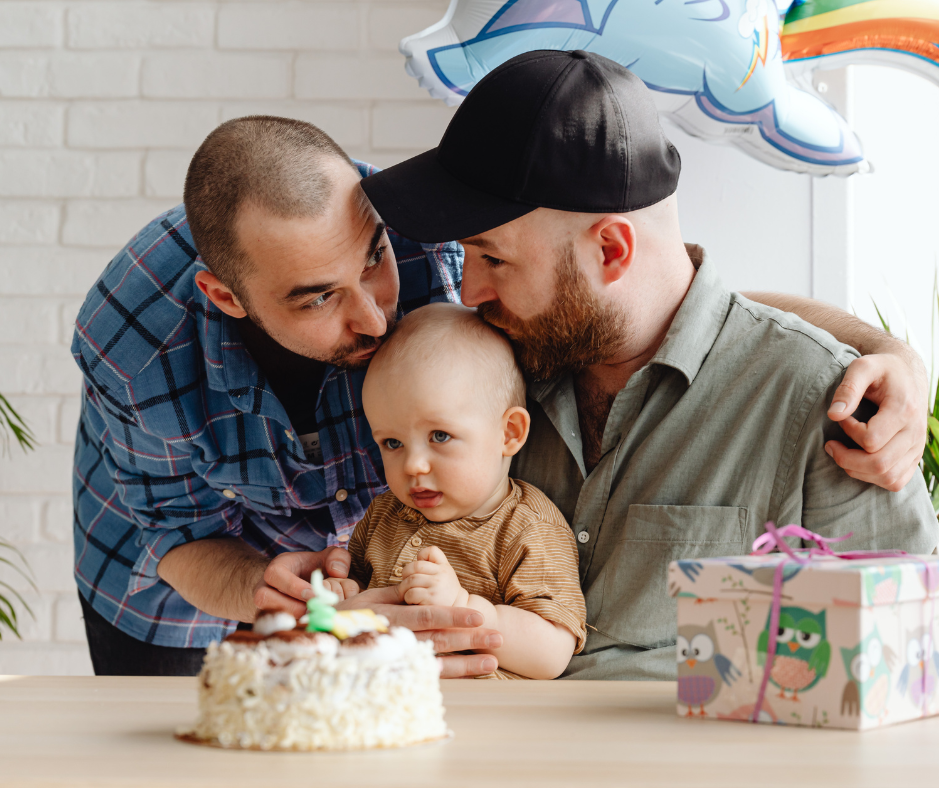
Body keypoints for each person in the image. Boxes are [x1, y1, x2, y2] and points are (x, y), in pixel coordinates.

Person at [72, 108, 926, 678]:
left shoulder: (422, 239)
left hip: (381, 559)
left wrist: (883, 350)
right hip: (172, 580)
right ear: (227, 297)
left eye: (371, 261)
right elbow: (175, 533)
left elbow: (655, 304)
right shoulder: (136, 345)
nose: (374, 314)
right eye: (317, 298)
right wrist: (271, 590)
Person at [359, 49, 939, 680]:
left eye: (494, 259)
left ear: (611, 250)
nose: (470, 291)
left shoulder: (820, 406)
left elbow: (904, 667)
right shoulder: (491, 365)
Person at [322, 302, 586, 680]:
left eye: (440, 436)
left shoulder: (528, 528)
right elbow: (360, 596)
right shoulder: (383, 515)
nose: (413, 465)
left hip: (477, 709)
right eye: (393, 443)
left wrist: (463, 604)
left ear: (508, 433)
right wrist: (344, 593)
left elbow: (551, 654)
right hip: (379, 699)